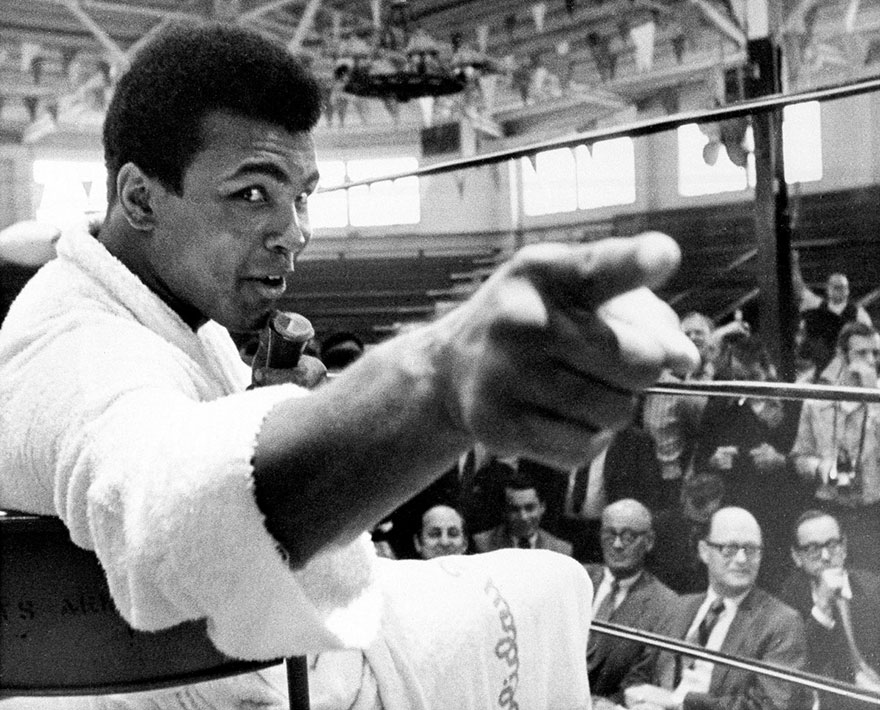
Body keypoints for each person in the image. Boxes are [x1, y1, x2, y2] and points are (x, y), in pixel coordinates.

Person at [0, 21, 698, 709]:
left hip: (201, 655)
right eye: (252, 194)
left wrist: (269, 409)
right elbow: (164, 498)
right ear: (140, 198)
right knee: (549, 586)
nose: (295, 233)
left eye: (302, 196)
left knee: (551, 581)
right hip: (219, 680)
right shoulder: (79, 351)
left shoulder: (138, 301)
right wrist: (437, 381)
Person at [625, 507, 808, 710]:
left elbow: (768, 706)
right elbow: (638, 676)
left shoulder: (782, 622)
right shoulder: (678, 606)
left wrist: (679, 702)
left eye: (751, 549)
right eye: (729, 548)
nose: (742, 559)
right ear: (704, 551)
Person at [690, 334, 803, 592]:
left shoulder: (788, 402)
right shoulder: (721, 405)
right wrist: (713, 460)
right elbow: (700, 460)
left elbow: (803, 459)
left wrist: (781, 461)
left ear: (764, 370)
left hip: (776, 508)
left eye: (751, 377)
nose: (745, 385)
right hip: (732, 503)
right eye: (738, 378)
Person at [790, 322, 880, 573]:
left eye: (875, 353)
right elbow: (799, 456)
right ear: (842, 355)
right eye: (862, 353)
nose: (870, 360)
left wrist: (873, 398)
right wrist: (821, 468)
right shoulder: (817, 401)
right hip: (830, 507)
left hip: (873, 512)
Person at [778, 510, 880, 709]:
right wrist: (823, 606)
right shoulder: (788, 600)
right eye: (813, 549)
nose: (825, 556)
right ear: (797, 556)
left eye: (832, 545)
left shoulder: (874, 589)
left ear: (844, 547)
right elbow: (796, 666)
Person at [585, 499, 678, 707]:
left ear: (649, 541)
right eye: (610, 534)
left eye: (629, 537)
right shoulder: (578, 578)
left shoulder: (665, 604)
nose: (617, 545)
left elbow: (643, 676)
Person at [642, 311, 725, 507]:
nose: (692, 337)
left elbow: (705, 425)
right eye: (687, 333)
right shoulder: (663, 372)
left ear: (711, 337)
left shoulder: (717, 374)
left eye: (699, 332)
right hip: (652, 467)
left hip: (689, 471)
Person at [561, 420, 664, 563]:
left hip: (610, 531)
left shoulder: (636, 440)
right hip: (568, 526)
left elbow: (650, 492)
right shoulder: (568, 429)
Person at [650, 473, 725, 595]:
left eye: (712, 500)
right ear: (685, 497)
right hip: (665, 593)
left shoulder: (722, 529)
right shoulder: (660, 524)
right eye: (698, 502)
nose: (706, 509)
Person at [472, 470, 573, 554]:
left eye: (530, 508)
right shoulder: (483, 545)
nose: (523, 517)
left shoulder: (560, 550)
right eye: (514, 509)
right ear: (504, 511)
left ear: (542, 507)